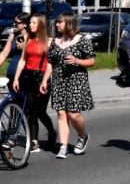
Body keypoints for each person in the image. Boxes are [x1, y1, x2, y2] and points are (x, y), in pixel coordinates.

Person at [40, 12, 95, 159]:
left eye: (60, 22)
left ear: (69, 23)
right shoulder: (55, 41)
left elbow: (92, 61)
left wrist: (78, 61)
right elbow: (51, 62)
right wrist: (45, 80)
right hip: (59, 80)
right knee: (61, 113)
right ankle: (63, 146)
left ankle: (82, 136)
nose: (57, 24)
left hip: (76, 79)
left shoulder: (82, 40)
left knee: (73, 114)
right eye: (57, 22)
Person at [12, 13, 55, 152]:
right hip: (28, 77)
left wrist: (45, 79)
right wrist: (16, 78)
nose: (30, 25)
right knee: (30, 110)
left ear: (41, 24)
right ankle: (34, 141)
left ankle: (51, 131)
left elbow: (52, 63)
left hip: (42, 78)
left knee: (41, 111)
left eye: (34, 23)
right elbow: (23, 60)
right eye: (30, 23)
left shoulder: (49, 42)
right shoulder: (28, 40)